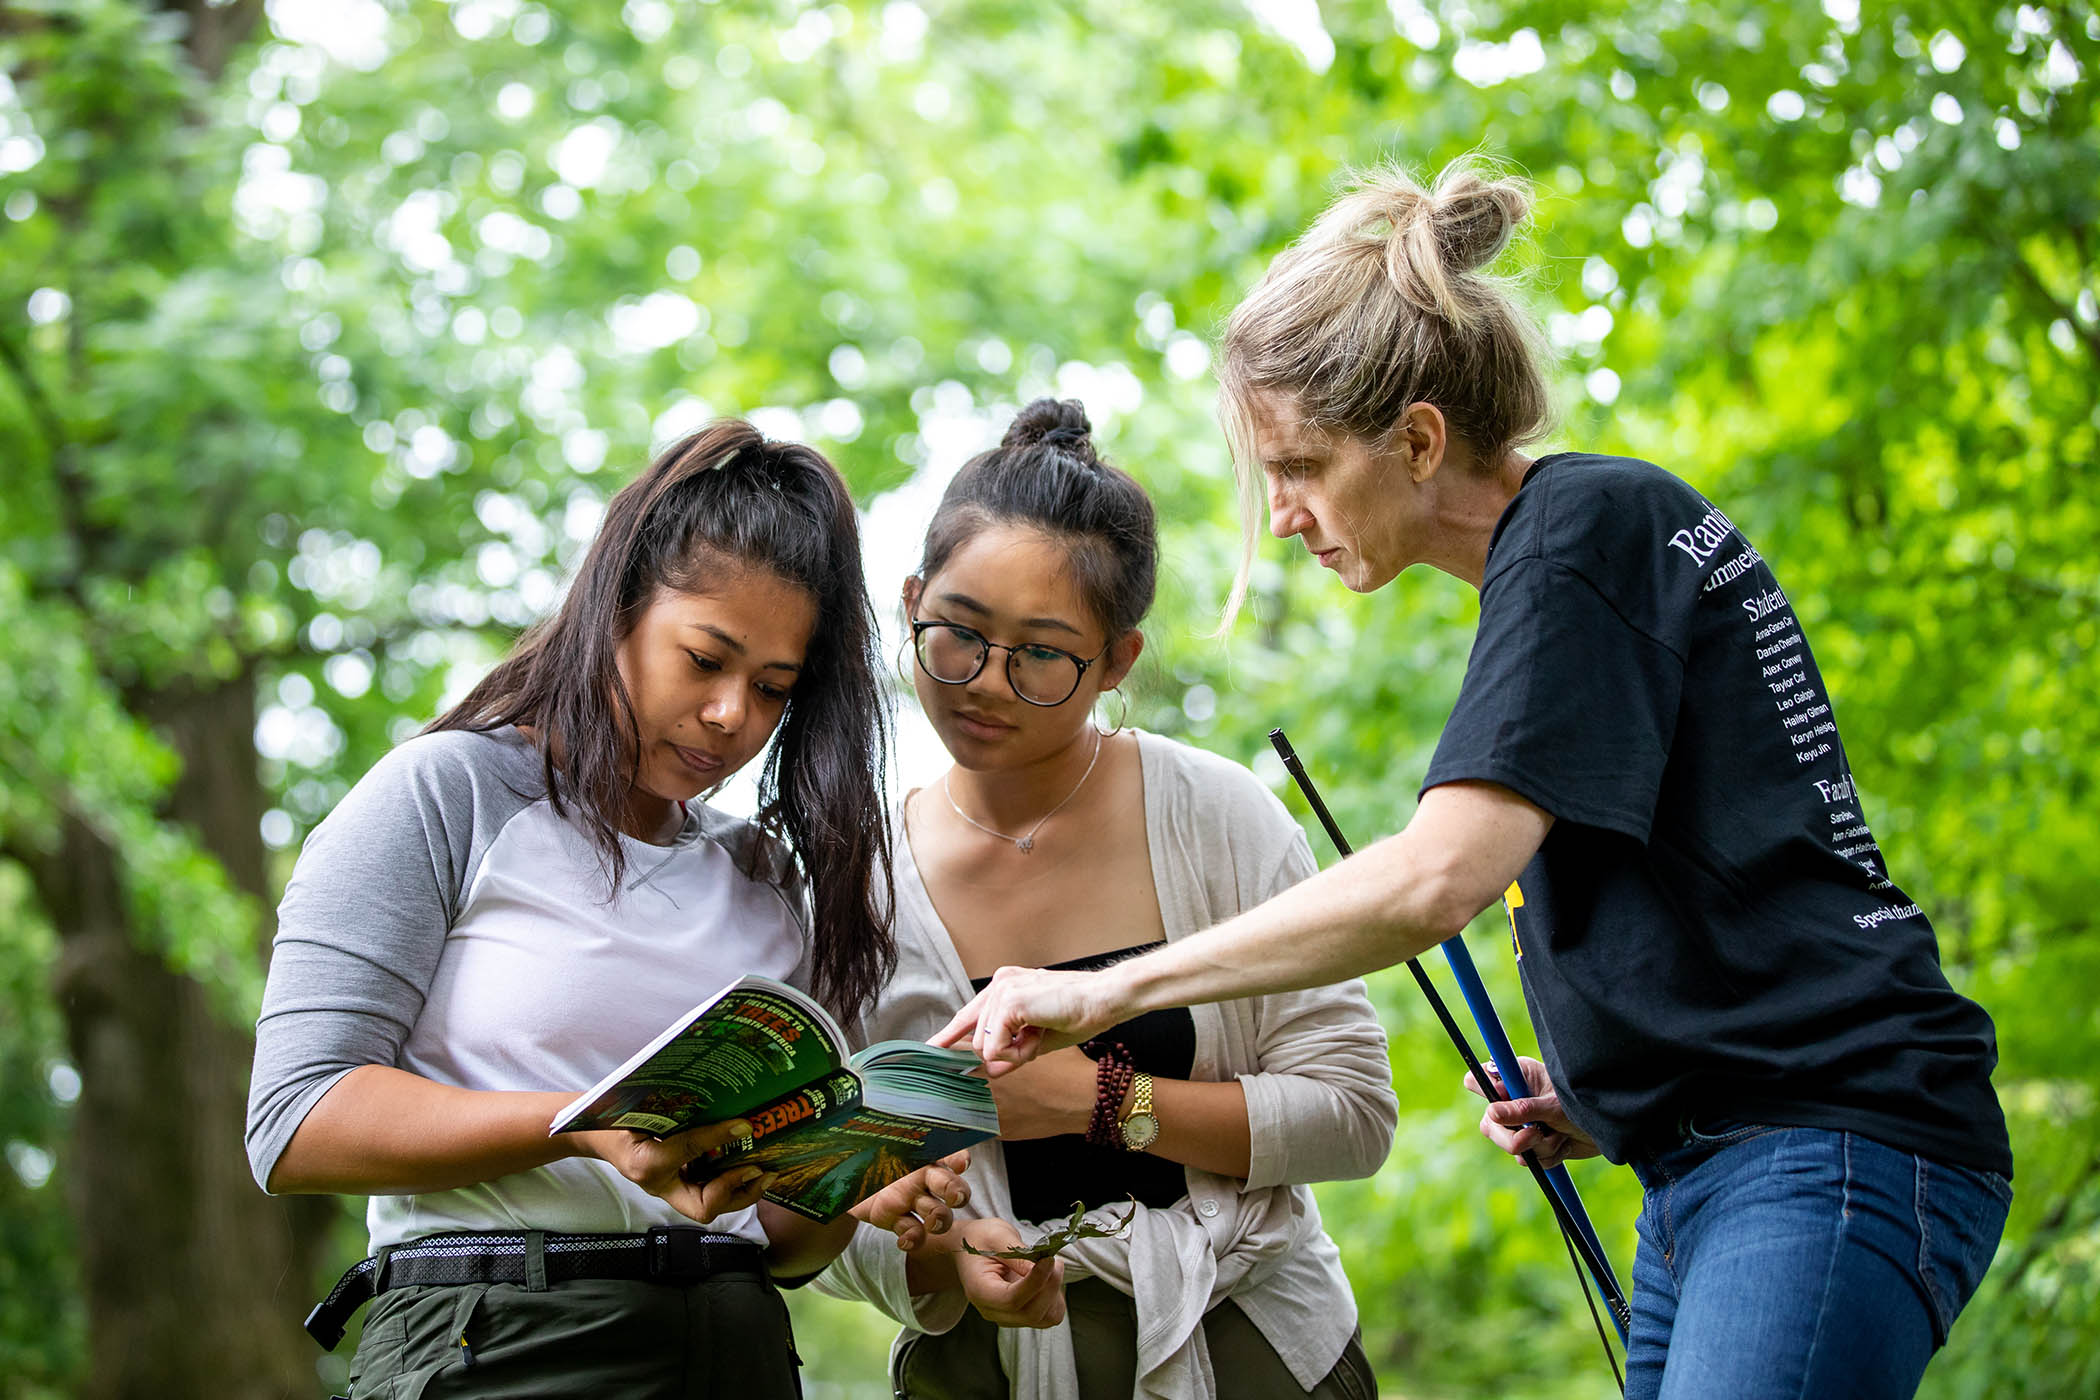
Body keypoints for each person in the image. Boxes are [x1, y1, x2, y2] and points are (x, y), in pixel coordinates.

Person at [935, 163, 2014, 1400]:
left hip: (1832, 1143)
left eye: (1299, 465)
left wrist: (1102, 994)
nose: (1282, 515)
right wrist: (1611, 1092)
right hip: (1714, 1161)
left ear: (1418, 440)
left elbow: (1438, 877)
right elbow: (1733, 875)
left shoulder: (1580, 531)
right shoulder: (1569, 564)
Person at [244, 422, 980, 1399]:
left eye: (772, 688)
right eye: (704, 658)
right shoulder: (449, 792)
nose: (732, 715)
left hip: (739, 1351)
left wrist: (865, 1181)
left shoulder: (764, 872)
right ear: (618, 606)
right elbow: (293, 1119)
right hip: (497, 1345)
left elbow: (788, 1244)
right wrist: (579, 1124)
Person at [815, 399, 1396, 1399]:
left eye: (1042, 654)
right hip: (982, 1374)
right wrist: (944, 1252)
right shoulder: (855, 877)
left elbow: (1352, 1113)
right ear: (912, 597)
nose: (987, 682)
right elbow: (819, 1202)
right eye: (956, 632)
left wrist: (1100, 1101)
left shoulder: (1218, 815)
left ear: (1117, 659)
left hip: (1263, 1350)